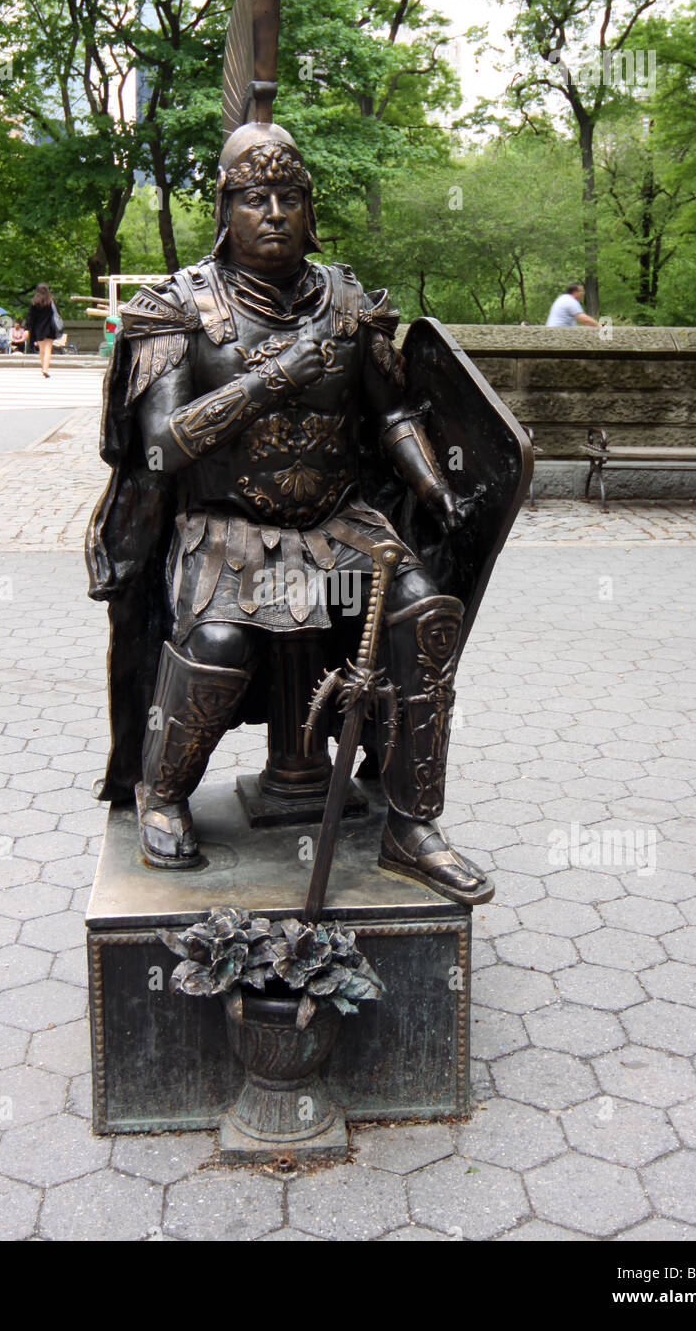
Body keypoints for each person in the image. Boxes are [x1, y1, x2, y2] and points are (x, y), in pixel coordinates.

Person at [85, 115, 501, 908]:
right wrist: (271, 378)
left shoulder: (348, 302)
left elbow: (392, 416)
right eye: (253, 198)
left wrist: (432, 486)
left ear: (309, 208)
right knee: (216, 638)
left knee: (421, 612)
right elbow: (165, 447)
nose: (273, 213)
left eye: (288, 196)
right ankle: (163, 794)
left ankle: (413, 825)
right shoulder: (176, 309)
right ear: (224, 211)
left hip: (339, 530)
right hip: (228, 531)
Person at [25, 283, 59, 377]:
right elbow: (57, 313)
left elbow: (30, 317)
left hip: (39, 329)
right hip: (50, 328)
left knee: (42, 350)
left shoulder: (34, 302)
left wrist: (28, 328)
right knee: (48, 350)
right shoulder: (51, 301)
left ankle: (43, 367)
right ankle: (45, 369)